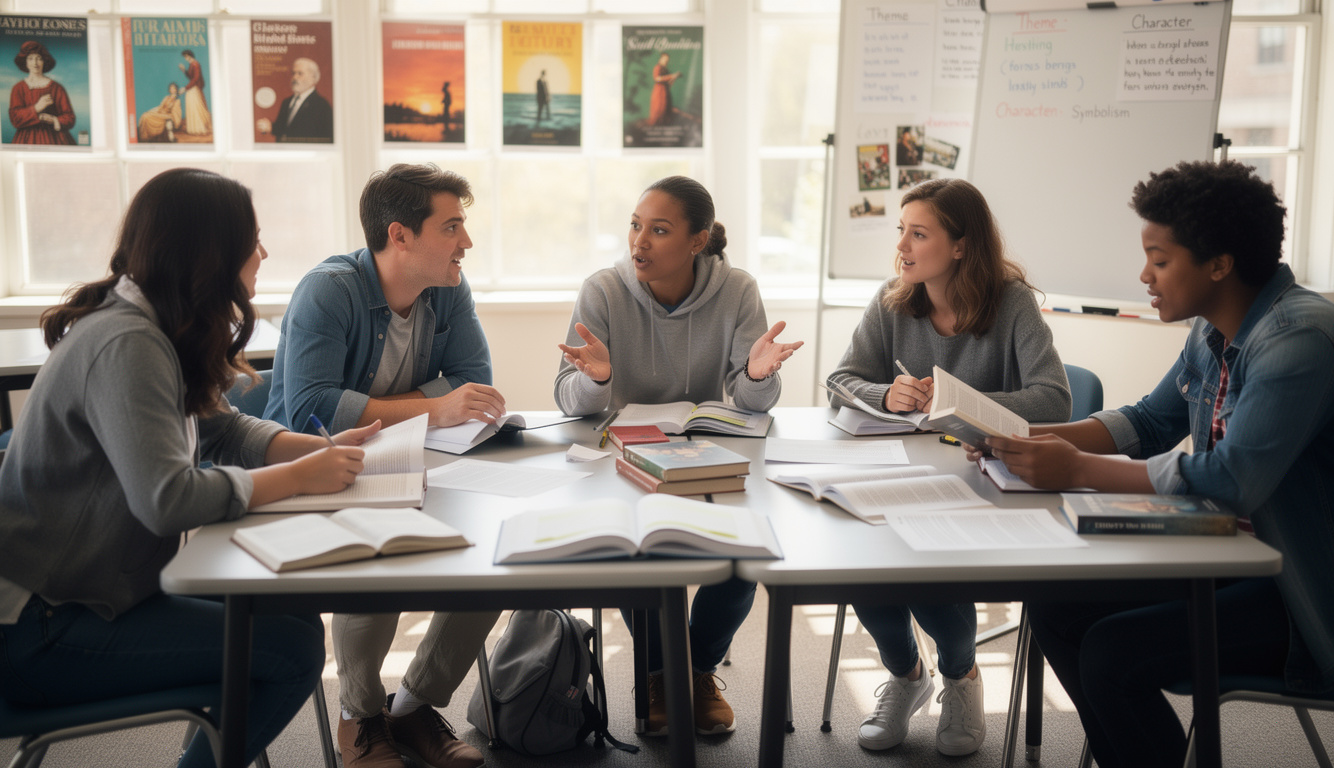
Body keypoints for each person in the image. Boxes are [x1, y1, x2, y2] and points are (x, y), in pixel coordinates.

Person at [0, 168, 372, 768]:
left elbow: (222, 428)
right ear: (209, 252)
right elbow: (167, 500)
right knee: (292, 652)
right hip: (41, 628)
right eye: (252, 239)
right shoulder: (127, 343)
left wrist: (312, 450)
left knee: (291, 617)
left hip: (91, 595)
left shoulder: (158, 327)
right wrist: (299, 477)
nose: (263, 253)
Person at [981, 161, 1334, 768]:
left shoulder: (1300, 340)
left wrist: (1076, 469)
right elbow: (1149, 422)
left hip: (1302, 590)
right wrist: (1019, 435)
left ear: (1219, 265)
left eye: (1160, 259)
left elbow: (1229, 481)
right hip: (1224, 554)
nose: (1144, 275)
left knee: (1112, 654)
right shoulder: (1212, 329)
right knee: (1056, 608)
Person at [266, 163, 502, 768]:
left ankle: (413, 706)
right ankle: (361, 715)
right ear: (400, 235)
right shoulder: (329, 290)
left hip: (417, 464)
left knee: (494, 551)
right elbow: (313, 408)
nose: (466, 242)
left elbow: (475, 382)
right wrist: (432, 406)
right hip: (315, 469)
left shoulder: (448, 286)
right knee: (379, 549)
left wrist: (416, 409)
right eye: (451, 227)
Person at [826, 177, 1070, 757]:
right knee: (860, 561)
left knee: (930, 571)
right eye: (901, 231)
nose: (901, 247)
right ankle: (907, 674)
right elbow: (840, 381)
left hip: (980, 477)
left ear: (960, 246)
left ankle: (961, 676)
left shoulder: (1012, 303)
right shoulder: (893, 299)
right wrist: (886, 394)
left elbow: (1055, 400)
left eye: (919, 234)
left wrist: (962, 402)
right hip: (901, 472)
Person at [554, 175, 803, 737]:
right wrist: (598, 380)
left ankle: (694, 669)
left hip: (706, 453)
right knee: (628, 552)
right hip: (623, 460)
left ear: (698, 241)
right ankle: (662, 672)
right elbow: (568, 399)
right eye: (635, 226)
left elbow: (752, 399)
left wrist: (757, 376)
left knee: (745, 554)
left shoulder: (737, 289)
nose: (639, 241)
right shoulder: (603, 290)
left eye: (659, 230)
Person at [8, 40, 75, 145]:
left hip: (54, 138)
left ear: (44, 61)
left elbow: (70, 117)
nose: (35, 63)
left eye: (39, 58)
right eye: (30, 58)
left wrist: (53, 120)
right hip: (26, 139)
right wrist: (36, 108)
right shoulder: (18, 88)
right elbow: (15, 118)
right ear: (25, 62)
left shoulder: (56, 88)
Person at [259, 57, 333, 143]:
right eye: (293, 73)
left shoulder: (321, 106)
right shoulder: (286, 102)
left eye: (300, 73)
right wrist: (270, 127)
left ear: (313, 77)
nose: (294, 77)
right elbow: (283, 129)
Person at [177, 49, 212, 137]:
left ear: (190, 55)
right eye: (185, 57)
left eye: (186, 56)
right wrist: (184, 70)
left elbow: (196, 78)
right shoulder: (192, 64)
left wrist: (185, 88)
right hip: (194, 87)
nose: (185, 58)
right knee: (191, 103)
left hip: (195, 88)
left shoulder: (195, 64)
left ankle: (198, 128)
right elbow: (191, 77)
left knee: (194, 105)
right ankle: (194, 128)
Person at [647, 52, 680, 126]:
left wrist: (674, 77)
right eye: (665, 59)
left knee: (665, 108)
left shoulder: (666, 69)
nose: (666, 61)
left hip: (665, 91)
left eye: (667, 60)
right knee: (658, 107)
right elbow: (657, 78)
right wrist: (671, 76)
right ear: (661, 59)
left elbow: (669, 83)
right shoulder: (657, 67)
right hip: (659, 91)